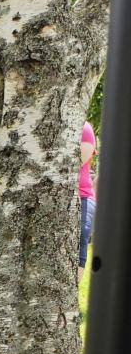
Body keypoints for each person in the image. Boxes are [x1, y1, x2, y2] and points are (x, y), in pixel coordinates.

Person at [79, 121, 97, 283]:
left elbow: (78, 162)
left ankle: (72, 287)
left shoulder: (85, 129)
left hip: (82, 196)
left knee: (81, 235)